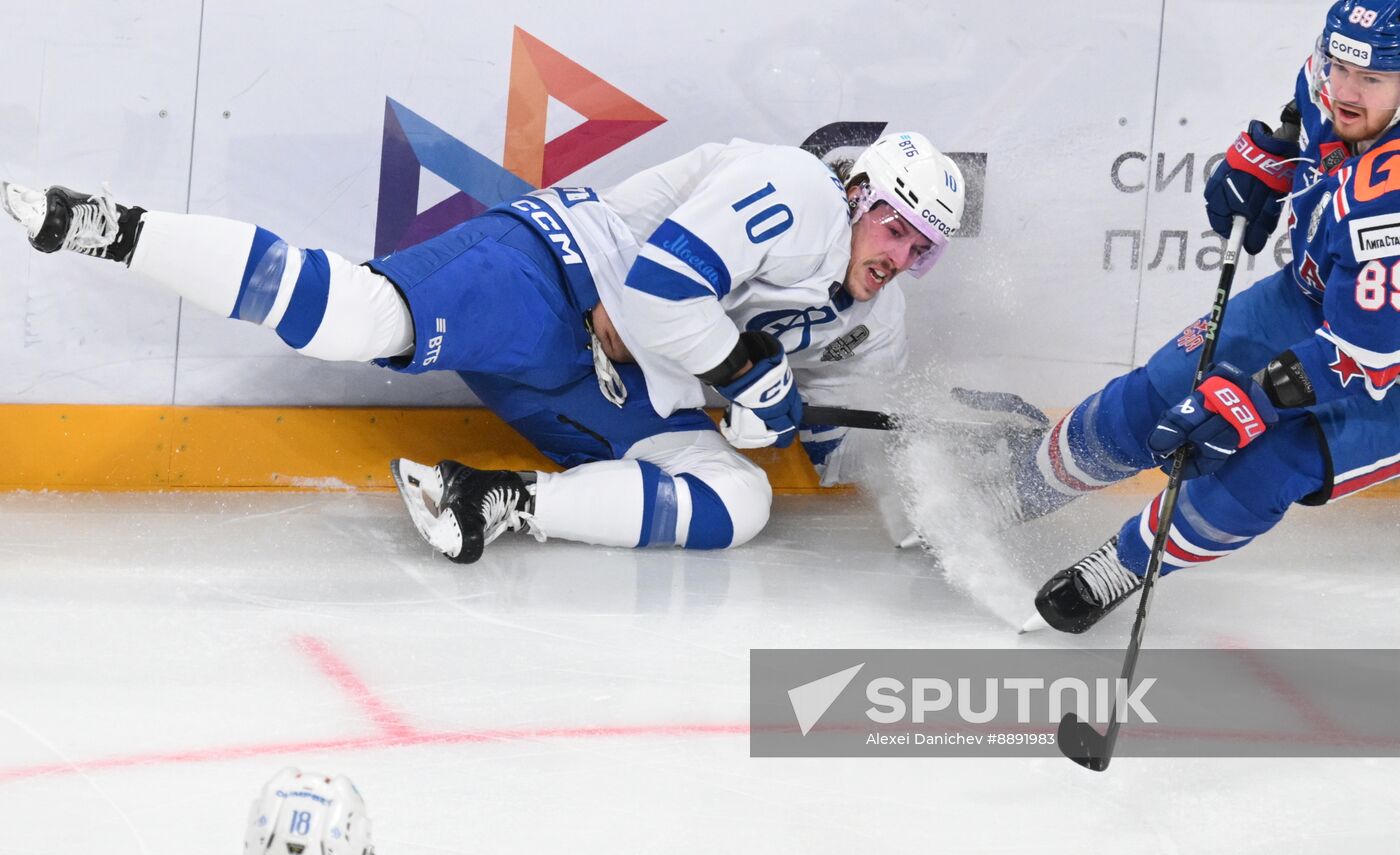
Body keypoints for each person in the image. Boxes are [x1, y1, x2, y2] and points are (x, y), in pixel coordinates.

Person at [3, 132, 964, 563]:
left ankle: (496, 498)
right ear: (860, 194)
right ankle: (109, 227)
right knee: (361, 318)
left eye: (921, 250)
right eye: (896, 229)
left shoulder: (874, 320)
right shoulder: (795, 189)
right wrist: (751, 373)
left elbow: (828, 445)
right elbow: (659, 291)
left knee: (739, 500)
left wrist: (931, 505)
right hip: (558, 276)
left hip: (608, 380)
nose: (901, 255)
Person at [1013, 0, 1400, 633]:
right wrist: (1272, 158)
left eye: (1372, 79)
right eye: (1340, 68)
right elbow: (1301, 115)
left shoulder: (1390, 205)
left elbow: (1364, 356)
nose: (1345, 92)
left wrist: (1257, 399)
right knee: (1153, 397)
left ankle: (1126, 564)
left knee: (1271, 465)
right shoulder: (1329, 82)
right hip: (1307, 298)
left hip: (1384, 368)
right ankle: (1016, 487)